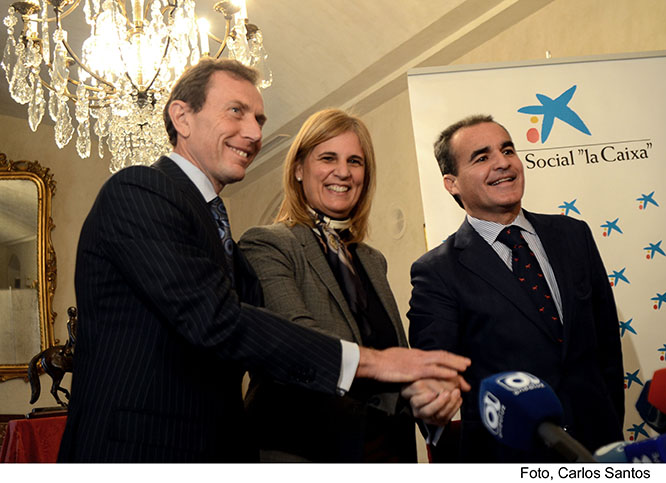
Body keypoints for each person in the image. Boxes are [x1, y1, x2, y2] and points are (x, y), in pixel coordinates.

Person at [56, 58, 469, 463]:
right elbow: (218, 320)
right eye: (236, 112)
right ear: (181, 117)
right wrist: (377, 361)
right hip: (140, 452)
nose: (253, 133)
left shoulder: (217, 229)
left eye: (259, 119)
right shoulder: (139, 190)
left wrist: (420, 388)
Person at [405, 114, 624, 462]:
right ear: (452, 183)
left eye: (507, 150)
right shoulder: (437, 272)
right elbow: (434, 383)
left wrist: (612, 429)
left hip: (598, 445)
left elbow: (607, 350)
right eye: (482, 157)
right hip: (511, 457)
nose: (503, 162)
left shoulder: (574, 235)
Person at [239, 109, 442, 462]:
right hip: (307, 448)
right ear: (299, 169)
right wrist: (386, 364)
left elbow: (395, 353)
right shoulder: (266, 244)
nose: (344, 172)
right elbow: (296, 340)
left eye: (355, 161)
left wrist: (427, 394)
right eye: (328, 158)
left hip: (388, 448)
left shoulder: (371, 259)